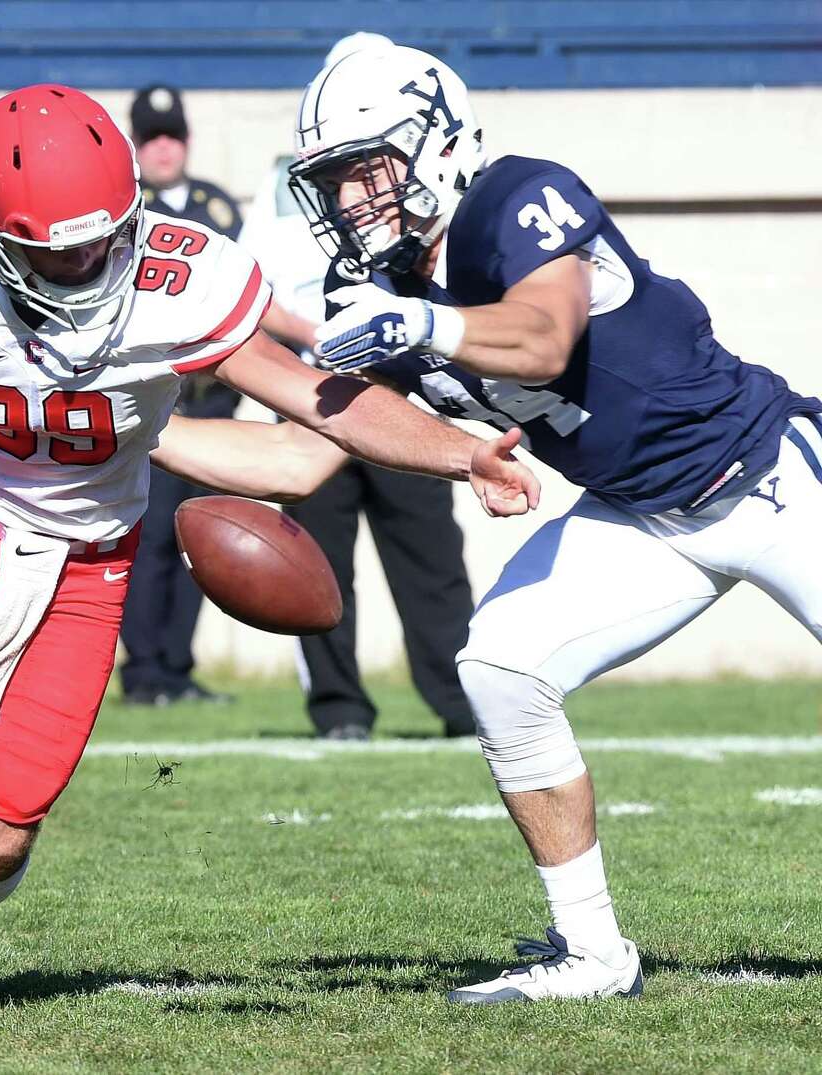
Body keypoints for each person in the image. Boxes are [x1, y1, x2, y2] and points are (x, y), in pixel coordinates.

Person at [0, 84, 539, 1016]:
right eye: (60, 246)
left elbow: (313, 398)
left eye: (105, 232)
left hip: (90, 559)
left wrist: (461, 451)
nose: (90, 256)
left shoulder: (182, 275)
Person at [282, 43, 822, 1002]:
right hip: (641, 515)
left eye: (368, 169)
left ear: (435, 144)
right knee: (500, 666)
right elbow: (320, 436)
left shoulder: (516, 198)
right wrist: (148, 429)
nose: (352, 199)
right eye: (334, 179)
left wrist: (426, 329)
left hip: (768, 469)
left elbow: (543, 337)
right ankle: (593, 953)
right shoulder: (374, 293)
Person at [240, 149, 476, 741]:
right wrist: (321, 335)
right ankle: (338, 707)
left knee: (431, 559)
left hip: (398, 397)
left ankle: (461, 701)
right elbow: (252, 294)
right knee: (316, 568)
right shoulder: (282, 189)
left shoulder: (424, 197)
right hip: (313, 397)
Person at [118, 84, 248, 705]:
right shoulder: (120, 209)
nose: (162, 149)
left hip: (213, 400)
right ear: (136, 147)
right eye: (150, 139)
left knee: (201, 536)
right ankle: (143, 672)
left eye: (170, 137)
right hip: (154, 400)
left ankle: (177, 666)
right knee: (150, 539)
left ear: (187, 143)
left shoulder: (216, 209)